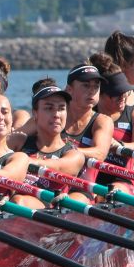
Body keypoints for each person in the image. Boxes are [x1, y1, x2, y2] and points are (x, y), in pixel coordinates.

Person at [9, 78, 86, 209]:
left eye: (61, 108)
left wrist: (22, 161)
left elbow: (60, 167)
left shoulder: (74, 155)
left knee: (18, 201)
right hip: (12, 202)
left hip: (47, 204)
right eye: (49, 108)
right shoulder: (19, 141)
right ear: (35, 113)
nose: (56, 114)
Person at [89, 53, 134, 195]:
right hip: (91, 176)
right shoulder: (87, 115)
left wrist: (116, 145)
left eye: (125, 90)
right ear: (100, 94)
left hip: (123, 178)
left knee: (110, 191)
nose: (123, 96)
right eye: (117, 93)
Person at [62, 63, 115, 182]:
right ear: (69, 89)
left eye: (96, 86)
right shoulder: (55, 115)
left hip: (82, 186)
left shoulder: (103, 121)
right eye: (86, 86)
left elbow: (100, 153)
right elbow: (21, 134)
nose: (92, 91)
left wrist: (61, 150)